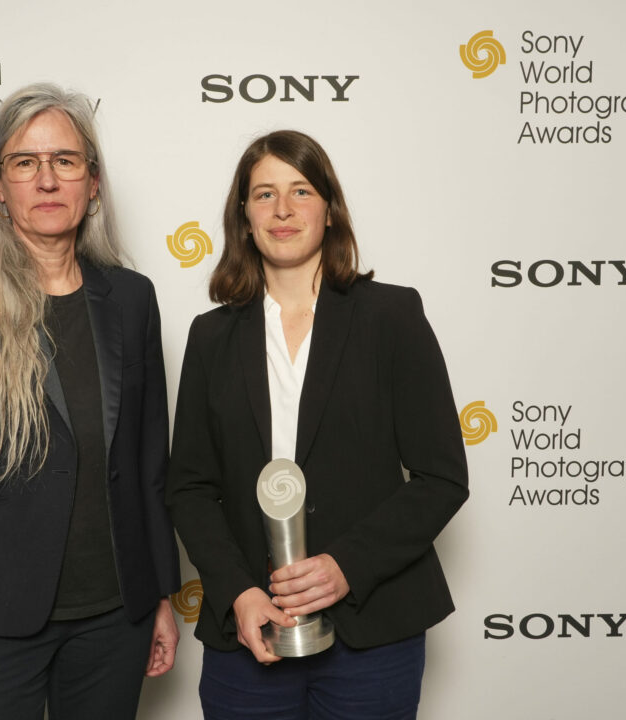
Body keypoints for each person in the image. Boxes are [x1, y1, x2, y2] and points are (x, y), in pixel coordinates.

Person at [0, 82, 181, 720]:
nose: (47, 180)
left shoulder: (132, 300)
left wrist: (160, 593)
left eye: (66, 161)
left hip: (115, 621)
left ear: (93, 182)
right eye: (26, 163)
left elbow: (147, 466)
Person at [166, 130, 468, 719]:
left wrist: (345, 567)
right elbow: (190, 488)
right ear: (244, 217)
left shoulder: (392, 317)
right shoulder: (211, 337)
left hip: (374, 631)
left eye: (300, 190)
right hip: (248, 634)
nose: (282, 210)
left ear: (329, 210)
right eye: (263, 195)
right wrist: (239, 593)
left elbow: (441, 478)